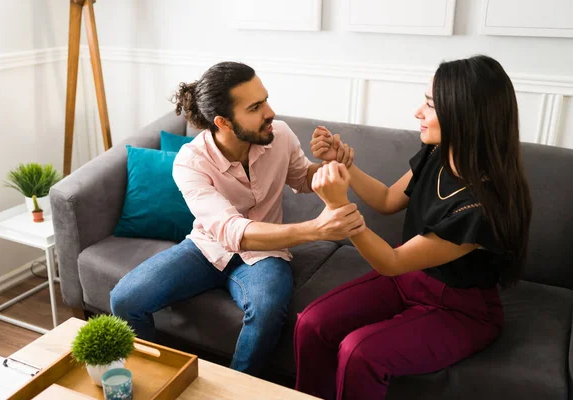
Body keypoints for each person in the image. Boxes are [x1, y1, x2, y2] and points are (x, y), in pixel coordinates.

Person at [294, 55, 532, 399]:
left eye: (431, 105)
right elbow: (388, 199)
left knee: (359, 352)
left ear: (464, 114)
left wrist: (338, 206)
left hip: (460, 309)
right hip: (409, 280)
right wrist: (340, 163)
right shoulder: (437, 153)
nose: (418, 112)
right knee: (311, 324)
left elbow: (391, 261)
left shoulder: (482, 208)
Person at [110, 61, 364, 376]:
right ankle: (160, 380)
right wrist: (316, 230)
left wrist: (327, 164)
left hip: (265, 255)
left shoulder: (279, 134)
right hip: (205, 249)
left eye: (266, 100)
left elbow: (301, 177)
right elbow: (233, 232)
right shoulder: (190, 163)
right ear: (224, 122)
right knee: (124, 299)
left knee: (268, 308)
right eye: (256, 107)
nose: (270, 111)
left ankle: (237, 389)